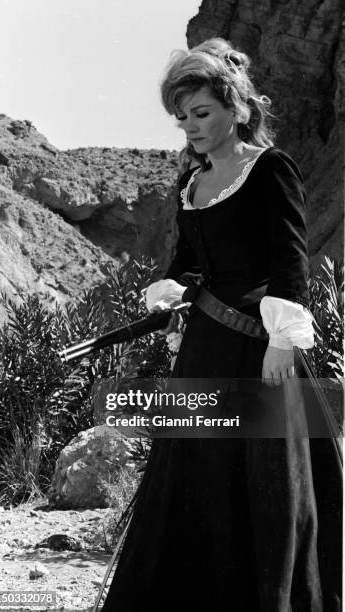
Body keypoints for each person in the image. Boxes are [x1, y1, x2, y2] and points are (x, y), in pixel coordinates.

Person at [101, 38, 342, 611]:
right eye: (181, 117)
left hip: (259, 344)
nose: (190, 126)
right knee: (196, 466)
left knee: (264, 474)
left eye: (201, 113)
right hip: (206, 345)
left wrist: (283, 340)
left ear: (236, 108)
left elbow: (290, 257)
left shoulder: (269, 168)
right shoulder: (192, 184)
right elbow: (188, 263)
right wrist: (170, 292)